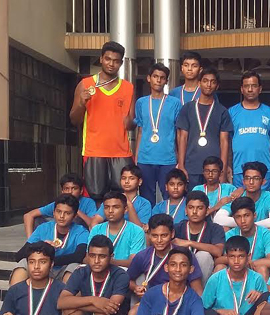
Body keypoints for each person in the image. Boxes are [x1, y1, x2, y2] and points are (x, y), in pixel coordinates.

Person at [69, 41, 135, 202]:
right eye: (108, 59)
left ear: (121, 63)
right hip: (94, 151)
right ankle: (97, 228)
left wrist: (130, 122)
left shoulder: (128, 88)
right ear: (101, 59)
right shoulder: (85, 85)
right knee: (95, 195)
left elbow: (132, 122)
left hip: (121, 151)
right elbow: (74, 120)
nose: (111, 64)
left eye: (116, 60)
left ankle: (120, 228)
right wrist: (81, 103)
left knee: (122, 196)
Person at [11, 194, 89, 286]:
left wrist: (49, 261)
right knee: (23, 264)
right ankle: (14, 297)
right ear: (53, 212)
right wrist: (42, 245)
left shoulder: (81, 232)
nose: (62, 216)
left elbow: (78, 256)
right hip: (42, 267)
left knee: (74, 267)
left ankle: (67, 299)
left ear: (75, 216)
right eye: (58, 211)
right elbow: (19, 255)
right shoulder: (43, 228)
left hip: (64, 268)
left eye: (67, 213)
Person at [176, 67, 233, 191]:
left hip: (214, 169)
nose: (209, 85)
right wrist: (181, 164)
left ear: (217, 86)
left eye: (213, 82)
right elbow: (183, 137)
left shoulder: (222, 111)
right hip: (192, 166)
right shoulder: (188, 108)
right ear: (199, 83)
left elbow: (224, 141)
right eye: (205, 81)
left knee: (214, 203)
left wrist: (222, 170)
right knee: (193, 203)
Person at [133, 63, 182, 206]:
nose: (158, 80)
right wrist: (137, 158)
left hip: (168, 159)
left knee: (170, 196)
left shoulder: (175, 103)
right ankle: (149, 226)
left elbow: (179, 133)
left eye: (162, 77)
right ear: (149, 78)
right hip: (145, 158)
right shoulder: (141, 102)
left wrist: (179, 158)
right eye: (155, 76)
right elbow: (141, 130)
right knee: (146, 198)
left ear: (166, 81)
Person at [229, 70, 270, 191]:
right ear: (242, 89)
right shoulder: (232, 112)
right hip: (239, 169)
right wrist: (227, 165)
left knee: (262, 204)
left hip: (264, 169)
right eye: (247, 86)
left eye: (254, 86)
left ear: (260, 89)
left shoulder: (269, 112)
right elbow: (226, 140)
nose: (250, 89)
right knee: (240, 205)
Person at [215, 197, 270, 280]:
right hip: (234, 271)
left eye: (246, 215)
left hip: (255, 271)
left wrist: (246, 263)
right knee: (220, 267)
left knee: (262, 268)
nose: (243, 221)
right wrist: (239, 261)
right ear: (233, 218)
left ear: (254, 215)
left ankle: (263, 293)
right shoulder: (229, 235)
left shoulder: (267, 234)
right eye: (238, 217)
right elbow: (217, 261)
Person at [173, 191, 226, 283]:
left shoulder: (215, 228)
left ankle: (201, 295)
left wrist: (190, 243)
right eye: (191, 208)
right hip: (180, 269)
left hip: (205, 275)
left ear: (207, 211)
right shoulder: (177, 228)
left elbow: (218, 251)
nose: (194, 212)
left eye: (199, 208)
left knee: (204, 256)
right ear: (186, 210)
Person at [23, 173, 96, 237]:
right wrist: (30, 240)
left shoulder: (88, 202)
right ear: (62, 191)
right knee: (37, 220)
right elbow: (28, 215)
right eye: (66, 189)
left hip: (78, 236)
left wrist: (76, 211)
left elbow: (93, 225)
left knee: (75, 220)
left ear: (81, 191)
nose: (70, 192)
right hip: (56, 235)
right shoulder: (59, 203)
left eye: (74, 188)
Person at [214, 161, 270, 229]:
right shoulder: (236, 196)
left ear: (263, 182)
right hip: (239, 235)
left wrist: (251, 225)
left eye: (256, 178)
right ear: (243, 181)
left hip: (260, 235)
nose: (251, 182)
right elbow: (218, 219)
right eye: (247, 178)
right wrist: (244, 224)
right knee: (224, 228)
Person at [88, 192, 146, 268]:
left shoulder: (137, 231)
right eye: (106, 207)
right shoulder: (96, 229)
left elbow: (134, 262)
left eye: (116, 207)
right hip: (99, 270)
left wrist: (108, 261)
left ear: (125, 209)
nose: (110, 210)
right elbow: (88, 257)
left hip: (125, 271)